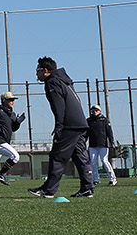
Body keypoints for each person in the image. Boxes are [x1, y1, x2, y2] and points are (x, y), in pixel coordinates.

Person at [28, 57, 94, 200]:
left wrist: (59, 125)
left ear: (45, 71)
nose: (36, 74)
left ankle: (49, 190)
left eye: (37, 70)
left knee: (57, 156)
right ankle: (87, 189)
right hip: (80, 124)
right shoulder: (65, 81)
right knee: (80, 157)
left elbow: (59, 106)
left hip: (69, 125)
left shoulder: (52, 82)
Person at [86, 104, 118, 187]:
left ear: (99, 111)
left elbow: (109, 132)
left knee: (104, 161)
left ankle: (112, 179)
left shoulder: (104, 120)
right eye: (92, 111)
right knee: (93, 162)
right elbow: (86, 132)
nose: (94, 112)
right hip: (93, 145)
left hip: (103, 144)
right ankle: (96, 179)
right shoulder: (89, 121)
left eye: (96, 110)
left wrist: (112, 141)